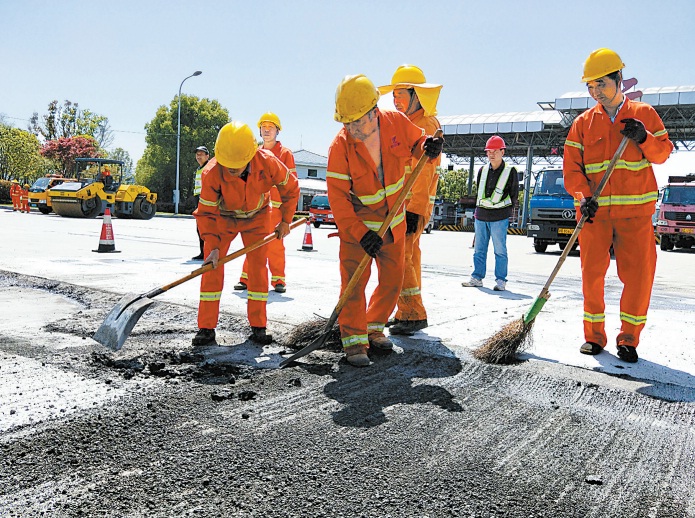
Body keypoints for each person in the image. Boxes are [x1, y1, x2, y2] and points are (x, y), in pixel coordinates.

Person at [563, 48, 673, 363]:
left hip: (636, 215)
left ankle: (629, 340)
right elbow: (572, 168)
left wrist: (643, 137)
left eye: (601, 84)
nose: (595, 91)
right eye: (590, 86)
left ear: (618, 79)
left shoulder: (644, 114)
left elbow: (662, 153)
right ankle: (594, 337)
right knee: (591, 275)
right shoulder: (583, 123)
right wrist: (583, 197)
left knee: (639, 276)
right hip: (595, 215)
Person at [327, 74, 443, 367]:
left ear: (374, 111)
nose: (353, 128)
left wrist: (427, 149)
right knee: (354, 283)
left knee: (392, 280)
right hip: (358, 224)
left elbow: (417, 143)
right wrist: (359, 233)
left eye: (358, 121)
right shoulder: (339, 148)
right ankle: (354, 343)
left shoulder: (394, 121)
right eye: (347, 122)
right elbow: (339, 201)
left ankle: (373, 327)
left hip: (393, 219)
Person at [192, 121, 300, 347]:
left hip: (258, 216)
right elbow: (206, 214)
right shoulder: (211, 172)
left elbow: (290, 188)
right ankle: (206, 327)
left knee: (258, 268)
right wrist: (212, 246)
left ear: (251, 155)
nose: (231, 169)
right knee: (211, 266)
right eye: (228, 164)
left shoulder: (268, 162)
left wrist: (286, 221)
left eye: (237, 165)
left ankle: (259, 326)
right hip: (224, 218)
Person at [378, 65, 442, 336]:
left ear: (417, 95)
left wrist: (414, 210)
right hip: (405, 204)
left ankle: (414, 314)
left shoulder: (424, 125)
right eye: (394, 95)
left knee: (401, 257)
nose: (396, 100)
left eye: (401, 94)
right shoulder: (410, 122)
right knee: (410, 257)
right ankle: (406, 311)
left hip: (412, 205)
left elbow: (423, 171)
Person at [235, 113, 297, 293]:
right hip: (257, 207)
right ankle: (246, 278)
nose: (267, 130)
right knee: (252, 242)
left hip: (277, 208)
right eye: (264, 127)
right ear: (260, 131)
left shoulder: (285, 154)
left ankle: (278, 280)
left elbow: (291, 185)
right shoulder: (255, 153)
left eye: (271, 127)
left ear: (278, 131)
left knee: (275, 244)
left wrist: (287, 216)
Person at [461, 136, 519, 291]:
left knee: (500, 250)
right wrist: (477, 214)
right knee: (479, 249)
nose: (491, 154)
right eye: (489, 151)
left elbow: (514, 195)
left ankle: (501, 281)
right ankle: (477, 278)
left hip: (500, 217)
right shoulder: (482, 170)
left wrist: (509, 214)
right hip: (481, 216)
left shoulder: (510, 172)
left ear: (502, 151)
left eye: (495, 151)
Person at [191, 145, 210, 261]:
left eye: (201, 154)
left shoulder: (208, 168)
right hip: (198, 200)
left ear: (207, 156)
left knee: (205, 228)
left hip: (205, 200)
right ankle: (203, 252)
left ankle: (207, 252)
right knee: (199, 228)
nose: (198, 156)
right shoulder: (199, 169)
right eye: (197, 154)